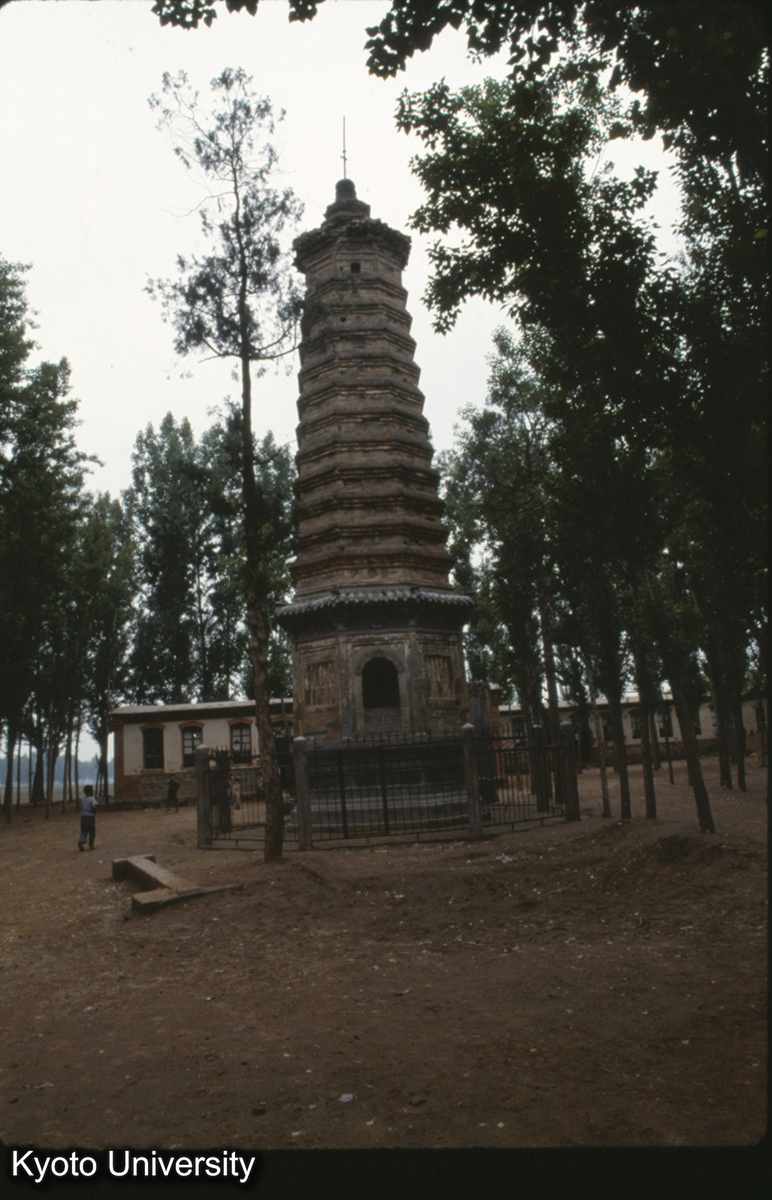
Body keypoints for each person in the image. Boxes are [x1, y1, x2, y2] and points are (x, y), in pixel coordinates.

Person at [77, 785, 97, 851]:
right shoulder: (92, 799)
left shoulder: (83, 800)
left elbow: (81, 807)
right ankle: (91, 845)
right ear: (91, 792)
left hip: (83, 817)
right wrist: (94, 811)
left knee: (83, 831)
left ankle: (81, 840)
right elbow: (94, 807)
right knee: (92, 831)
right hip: (90, 817)